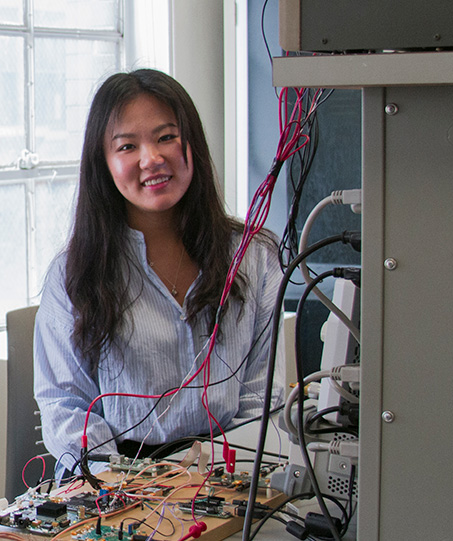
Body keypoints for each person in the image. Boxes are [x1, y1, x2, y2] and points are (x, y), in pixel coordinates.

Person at [33, 69, 282, 468]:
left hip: (231, 475)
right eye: (127, 146)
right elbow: (66, 406)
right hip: (121, 485)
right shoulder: (74, 273)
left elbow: (261, 398)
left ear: (192, 145)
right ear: (105, 163)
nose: (151, 159)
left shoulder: (254, 256)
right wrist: (117, 489)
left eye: (166, 137)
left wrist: (230, 480)